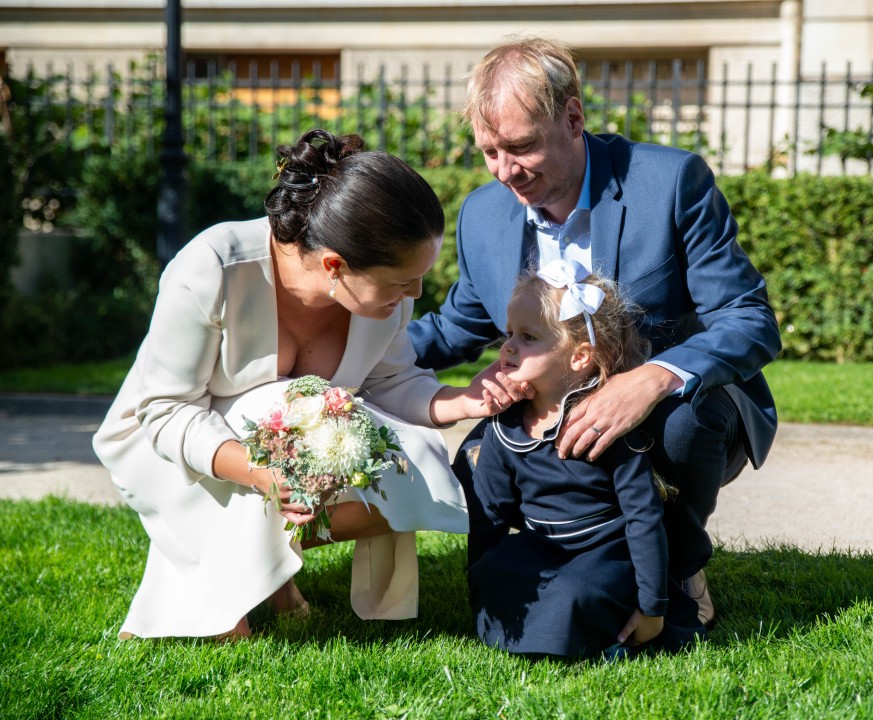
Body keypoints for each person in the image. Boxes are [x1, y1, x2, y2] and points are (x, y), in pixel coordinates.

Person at [409, 37, 782, 626]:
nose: (505, 172)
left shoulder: (671, 181)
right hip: (548, 410)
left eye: (521, 147)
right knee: (479, 457)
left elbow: (749, 318)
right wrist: (346, 356)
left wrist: (652, 379)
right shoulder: (482, 214)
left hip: (676, 412)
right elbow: (457, 325)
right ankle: (565, 557)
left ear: (573, 118)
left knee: (682, 427)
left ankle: (678, 567)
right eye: (490, 152)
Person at [93, 129, 511, 640]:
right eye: (403, 281)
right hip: (164, 443)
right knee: (292, 399)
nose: (416, 293)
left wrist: (465, 401)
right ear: (335, 265)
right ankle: (232, 583)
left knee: (415, 460)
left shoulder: (386, 300)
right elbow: (164, 410)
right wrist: (262, 475)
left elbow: (391, 381)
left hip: (288, 444)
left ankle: (266, 566)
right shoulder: (213, 267)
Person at [468, 259, 705, 659]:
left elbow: (643, 517)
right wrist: (478, 582)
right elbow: (488, 515)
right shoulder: (504, 425)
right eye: (509, 334)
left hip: (605, 552)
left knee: (575, 590)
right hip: (542, 545)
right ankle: (552, 630)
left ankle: (608, 637)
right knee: (493, 573)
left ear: (579, 357)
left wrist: (653, 607)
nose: (508, 347)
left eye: (528, 337)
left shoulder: (603, 423)